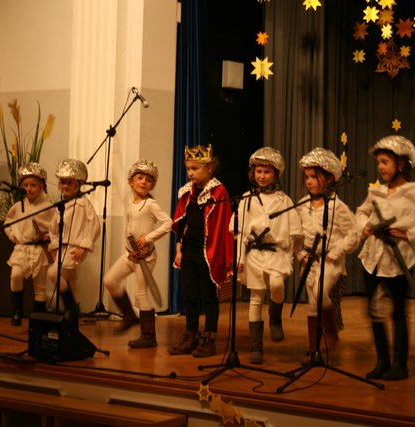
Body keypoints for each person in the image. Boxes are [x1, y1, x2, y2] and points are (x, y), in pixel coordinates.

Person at [356, 135, 415, 381]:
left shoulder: (414, 193)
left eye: (385, 162)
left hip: (398, 261)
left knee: (397, 312)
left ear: (401, 164)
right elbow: (361, 212)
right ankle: (382, 361)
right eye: (378, 162)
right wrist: (365, 226)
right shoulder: (376, 192)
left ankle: (400, 365)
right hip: (372, 258)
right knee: (374, 310)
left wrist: (411, 233)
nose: (380, 167)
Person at [230, 147, 302, 364]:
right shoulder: (247, 199)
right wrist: (239, 258)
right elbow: (240, 232)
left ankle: (275, 317)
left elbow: (294, 232)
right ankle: (256, 346)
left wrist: (294, 255)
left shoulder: (284, 200)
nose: (262, 176)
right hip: (254, 254)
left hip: (276, 252)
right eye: (259, 171)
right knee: (256, 298)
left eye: (267, 172)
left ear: (276, 174)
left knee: (277, 285)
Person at [168, 144, 233, 358]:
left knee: (209, 296)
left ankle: (210, 338)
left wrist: (219, 255)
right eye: (188, 168)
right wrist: (179, 249)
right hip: (189, 250)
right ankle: (191, 335)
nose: (190, 173)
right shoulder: (187, 192)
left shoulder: (218, 191)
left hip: (208, 252)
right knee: (189, 295)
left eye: (195, 168)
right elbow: (182, 222)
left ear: (209, 168)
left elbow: (222, 226)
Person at [296, 148, 360, 354]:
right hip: (310, 261)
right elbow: (295, 235)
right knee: (312, 304)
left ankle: (331, 331)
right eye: (307, 177)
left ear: (329, 178)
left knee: (320, 291)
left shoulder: (336, 206)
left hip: (331, 262)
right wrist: (301, 254)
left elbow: (353, 234)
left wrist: (335, 253)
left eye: (314, 177)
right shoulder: (302, 205)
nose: (309, 181)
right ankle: (313, 348)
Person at [103, 160, 172, 348]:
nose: (143, 182)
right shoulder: (131, 203)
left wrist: (148, 238)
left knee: (141, 295)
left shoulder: (151, 204)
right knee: (109, 280)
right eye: (140, 178)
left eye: (149, 180)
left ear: (153, 185)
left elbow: (168, 223)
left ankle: (148, 337)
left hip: (145, 258)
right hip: (130, 255)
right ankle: (129, 316)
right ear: (130, 182)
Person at [47, 159, 101, 328]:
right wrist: (54, 245)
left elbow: (94, 226)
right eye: (62, 182)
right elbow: (53, 228)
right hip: (62, 248)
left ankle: (70, 308)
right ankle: (74, 312)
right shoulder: (61, 205)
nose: (65, 186)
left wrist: (84, 246)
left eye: (69, 182)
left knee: (53, 273)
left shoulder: (84, 204)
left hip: (74, 249)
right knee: (71, 280)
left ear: (79, 183)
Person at [4, 163, 54, 326]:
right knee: (16, 275)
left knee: (39, 286)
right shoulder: (18, 206)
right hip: (22, 248)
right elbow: (8, 222)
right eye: (25, 185)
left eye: (33, 185)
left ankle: (38, 317)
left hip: (40, 250)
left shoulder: (49, 207)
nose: (29, 189)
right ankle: (17, 310)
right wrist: (13, 237)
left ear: (42, 186)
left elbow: (57, 226)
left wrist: (50, 237)